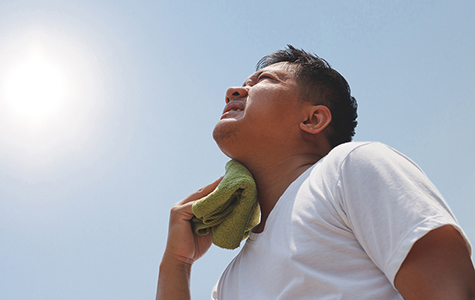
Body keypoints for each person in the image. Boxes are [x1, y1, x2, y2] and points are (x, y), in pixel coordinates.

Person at [156, 45, 475, 300]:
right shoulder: (229, 284)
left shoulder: (351, 167)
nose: (234, 91)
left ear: (313, 120)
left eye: (263, 81)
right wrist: (177, 264)